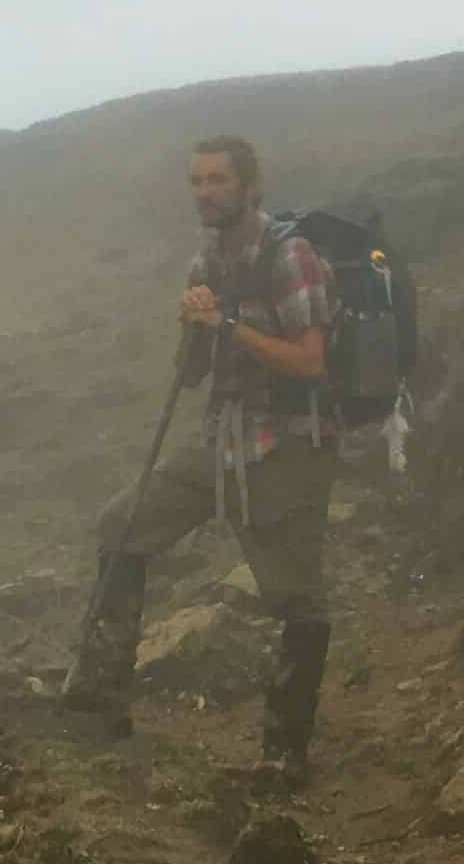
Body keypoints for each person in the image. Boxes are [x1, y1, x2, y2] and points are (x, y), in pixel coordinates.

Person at [55, 133, 340, 784]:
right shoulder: (204, 263)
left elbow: (310, 361)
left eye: (217, 179)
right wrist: (192, 326)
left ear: (248, 184)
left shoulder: (290, 255)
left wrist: (228, 322)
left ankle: (284, 752)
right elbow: (190, 375)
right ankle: (99, 699)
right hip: (222, 436)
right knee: (121, 525)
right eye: (196, 181)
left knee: (296, 597)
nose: (205, 192)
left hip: (288, 441)